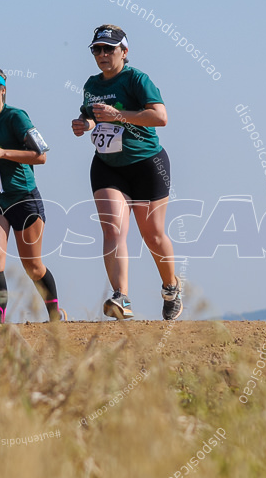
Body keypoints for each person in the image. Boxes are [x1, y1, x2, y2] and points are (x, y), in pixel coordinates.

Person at [70, 25, 182, 320]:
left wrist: (120, 115)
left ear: (124, 52)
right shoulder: (92, 84)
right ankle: (122, 297)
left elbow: (160, 117)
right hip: (108, 166)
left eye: (109, 49)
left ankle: (171, 288)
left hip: (147, 163)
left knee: (153, 235)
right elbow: (91, 116)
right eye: (97, 49)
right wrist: (85, 125)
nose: (103, 54)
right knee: (113, 230)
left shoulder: (136, 79)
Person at [0, 65, 63, 324]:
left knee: (32, 266)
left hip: (23, 197)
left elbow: (41, 156)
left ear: (3, 90)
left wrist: (3, 152)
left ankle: (55, 316)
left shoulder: (16, 117)